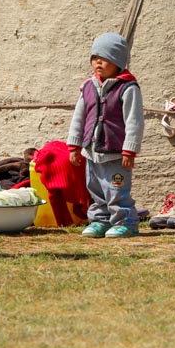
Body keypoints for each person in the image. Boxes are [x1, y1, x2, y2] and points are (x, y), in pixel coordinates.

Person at [67, 32, 143, 239]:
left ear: (118, 61)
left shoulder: (127, 88)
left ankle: (126, 222)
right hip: (92, 151)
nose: (98, 62)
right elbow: (79, 117)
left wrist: (130, 150)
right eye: (95, 57)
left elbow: (134, 121)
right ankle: (100, 220)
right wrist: (74, 146)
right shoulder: (88, 87)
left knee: (116, 190)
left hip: (116, 153)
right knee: (96, 190)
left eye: (105, 58)